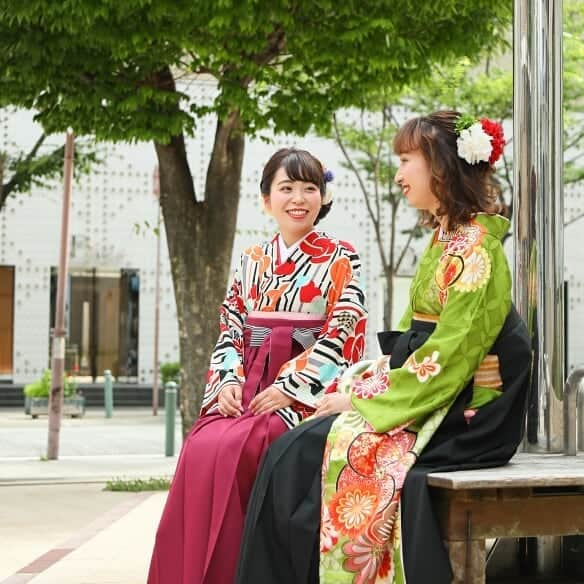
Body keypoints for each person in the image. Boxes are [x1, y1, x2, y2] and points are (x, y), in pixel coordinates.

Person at [236, 111, 532, 584]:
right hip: (437, 395)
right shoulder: (448, 240)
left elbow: (447, 360)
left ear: (439, 165)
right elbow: (411, 345)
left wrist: (358, 400)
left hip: (469, 413)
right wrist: (360, 388)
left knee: (306, 455)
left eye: (405, 160)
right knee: (291, 450)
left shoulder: (476, 250)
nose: (397, 174)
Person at [147, 147, 368, 584]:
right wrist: (228, 382)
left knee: (248, 445)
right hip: (248, 385)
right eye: (286, 188)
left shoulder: (341, 256)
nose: (298, 198)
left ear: (323, 198)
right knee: (202, 444)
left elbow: (344, 329)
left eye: (310, 188)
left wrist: (293, 387)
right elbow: (230, 327)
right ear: (266, 199)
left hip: (302, 390)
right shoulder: (251, 260)